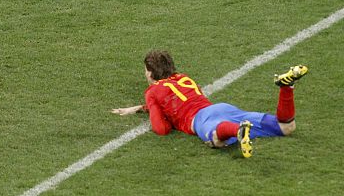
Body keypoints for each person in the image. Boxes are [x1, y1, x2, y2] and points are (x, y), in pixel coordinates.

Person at [112, 50, 308, 158]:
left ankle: (238, 131)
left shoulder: (153, 91)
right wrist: (141, 108)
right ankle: (286, 87)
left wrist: (152, 106)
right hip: (221, 108)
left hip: (200, 120)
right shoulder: (182, 78)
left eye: (146, 70)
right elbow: (178, 100)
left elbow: (161, 129)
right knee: (286, 127)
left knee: (216, 139)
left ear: (151, 73)